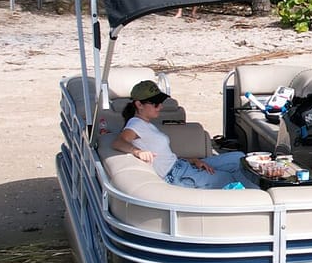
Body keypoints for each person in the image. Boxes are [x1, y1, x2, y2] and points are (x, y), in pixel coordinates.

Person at [109, 80, 258, 189]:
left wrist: (193, 160)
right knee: (232, 177)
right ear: (139, 105)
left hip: (183, 165)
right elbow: (119, 142)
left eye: (160, 102)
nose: (160, 106)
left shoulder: (147, 124)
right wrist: (138, 152)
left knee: (238, 157)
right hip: (177, 176)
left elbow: (165, 157)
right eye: (155, 103)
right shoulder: (135, 125)